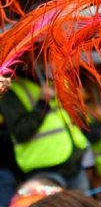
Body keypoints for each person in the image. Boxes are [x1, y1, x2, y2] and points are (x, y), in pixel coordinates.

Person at [0, 58, 90, 192]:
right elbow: (21, 131)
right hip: (44, 170)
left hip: (74, 165)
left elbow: (79, 121)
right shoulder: (10, 92)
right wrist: (42, 103)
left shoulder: (51, 81)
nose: (44, 60)